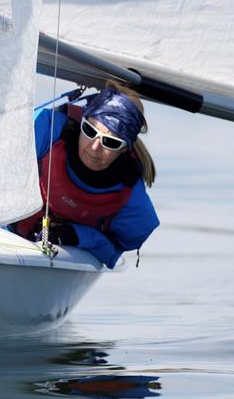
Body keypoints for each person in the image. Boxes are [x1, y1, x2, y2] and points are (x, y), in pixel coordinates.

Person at [9, 82, 160, 268]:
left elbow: (114, 251)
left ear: (124, 149)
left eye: (110, 142)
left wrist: (77, 235)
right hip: (4, 231)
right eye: (89, 130)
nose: (94, 147)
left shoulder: (133, 206)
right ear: (82, 121)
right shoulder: (45, 130)